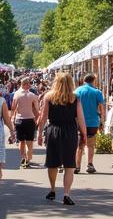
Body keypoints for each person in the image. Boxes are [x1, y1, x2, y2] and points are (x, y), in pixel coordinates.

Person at [37, 71, 86, 206]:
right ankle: (66, 194)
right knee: (69, 165)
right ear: (71, 83)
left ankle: (53, 189)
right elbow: (80, 118)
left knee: (52, 162)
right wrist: (84, 134)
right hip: (70, 131)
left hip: (53, 130)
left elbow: (43, 117)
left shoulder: (49, 97)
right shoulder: (75, 98)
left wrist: (39, 133)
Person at [74, 73, 105, 174]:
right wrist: (102, 120)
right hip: (92, 121)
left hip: (79, 121)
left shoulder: (77, 91)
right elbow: (101, 107)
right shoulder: (97, 92)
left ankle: (77, 165)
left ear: (84, 80)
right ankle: (90, 164)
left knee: (79, 145)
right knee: (90, 145)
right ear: (93, 81)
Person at [11, 77, 40, 168]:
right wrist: (37, 119)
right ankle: (28, 159)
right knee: (29, 142)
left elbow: (13, 108)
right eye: (28, 84)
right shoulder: (33, 95)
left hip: (19, 120)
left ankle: (23, 158)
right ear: (25, 84)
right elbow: (37, 109)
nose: (30, 85)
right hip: (30, 119)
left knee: (21, 141)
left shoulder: (16, 95)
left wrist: (12, 118)